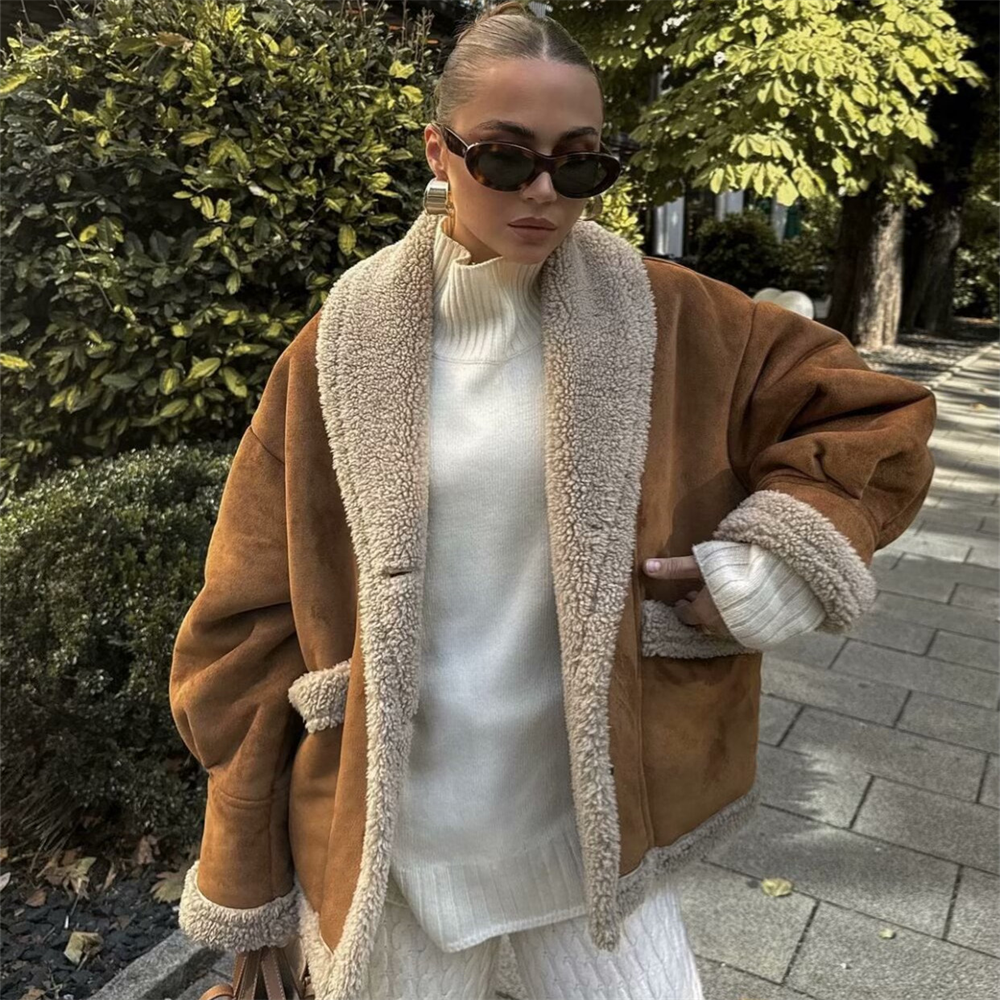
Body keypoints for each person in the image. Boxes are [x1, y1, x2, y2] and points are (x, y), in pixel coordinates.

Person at [168, 4, 936, 999]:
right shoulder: (338, 350)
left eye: (579, 163)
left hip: (591, 840)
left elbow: (877, 421)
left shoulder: (677, 318)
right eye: (504, 157)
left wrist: (771, 565)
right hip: (394, 853)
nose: (543, 191)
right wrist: (252, 887)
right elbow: (244, 632)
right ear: (439, 152)